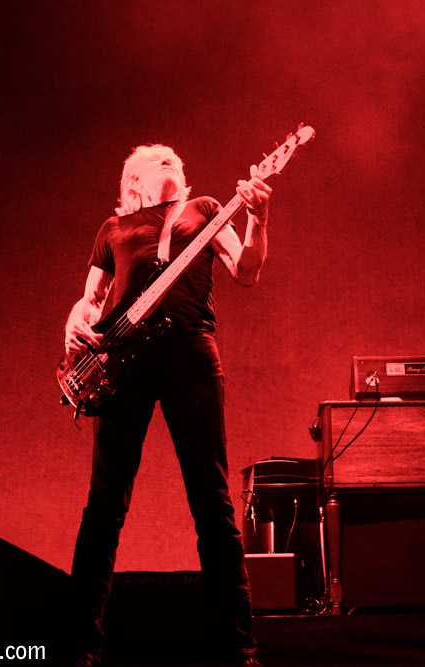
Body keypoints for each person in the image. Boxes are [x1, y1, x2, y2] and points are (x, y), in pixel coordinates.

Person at [64, 143, 272, 666]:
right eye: (159, 161)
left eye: (177, 162)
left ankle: (238, 649)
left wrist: (258, 220)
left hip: (189, 356)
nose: (172, 165)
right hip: (120, 362)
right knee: (104, 505)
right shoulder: (112, 230)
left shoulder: (203, 209)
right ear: (132, 179)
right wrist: (73, 321)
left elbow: (246, 271)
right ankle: (80, 648)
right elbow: (89, 300)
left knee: (212, 502)